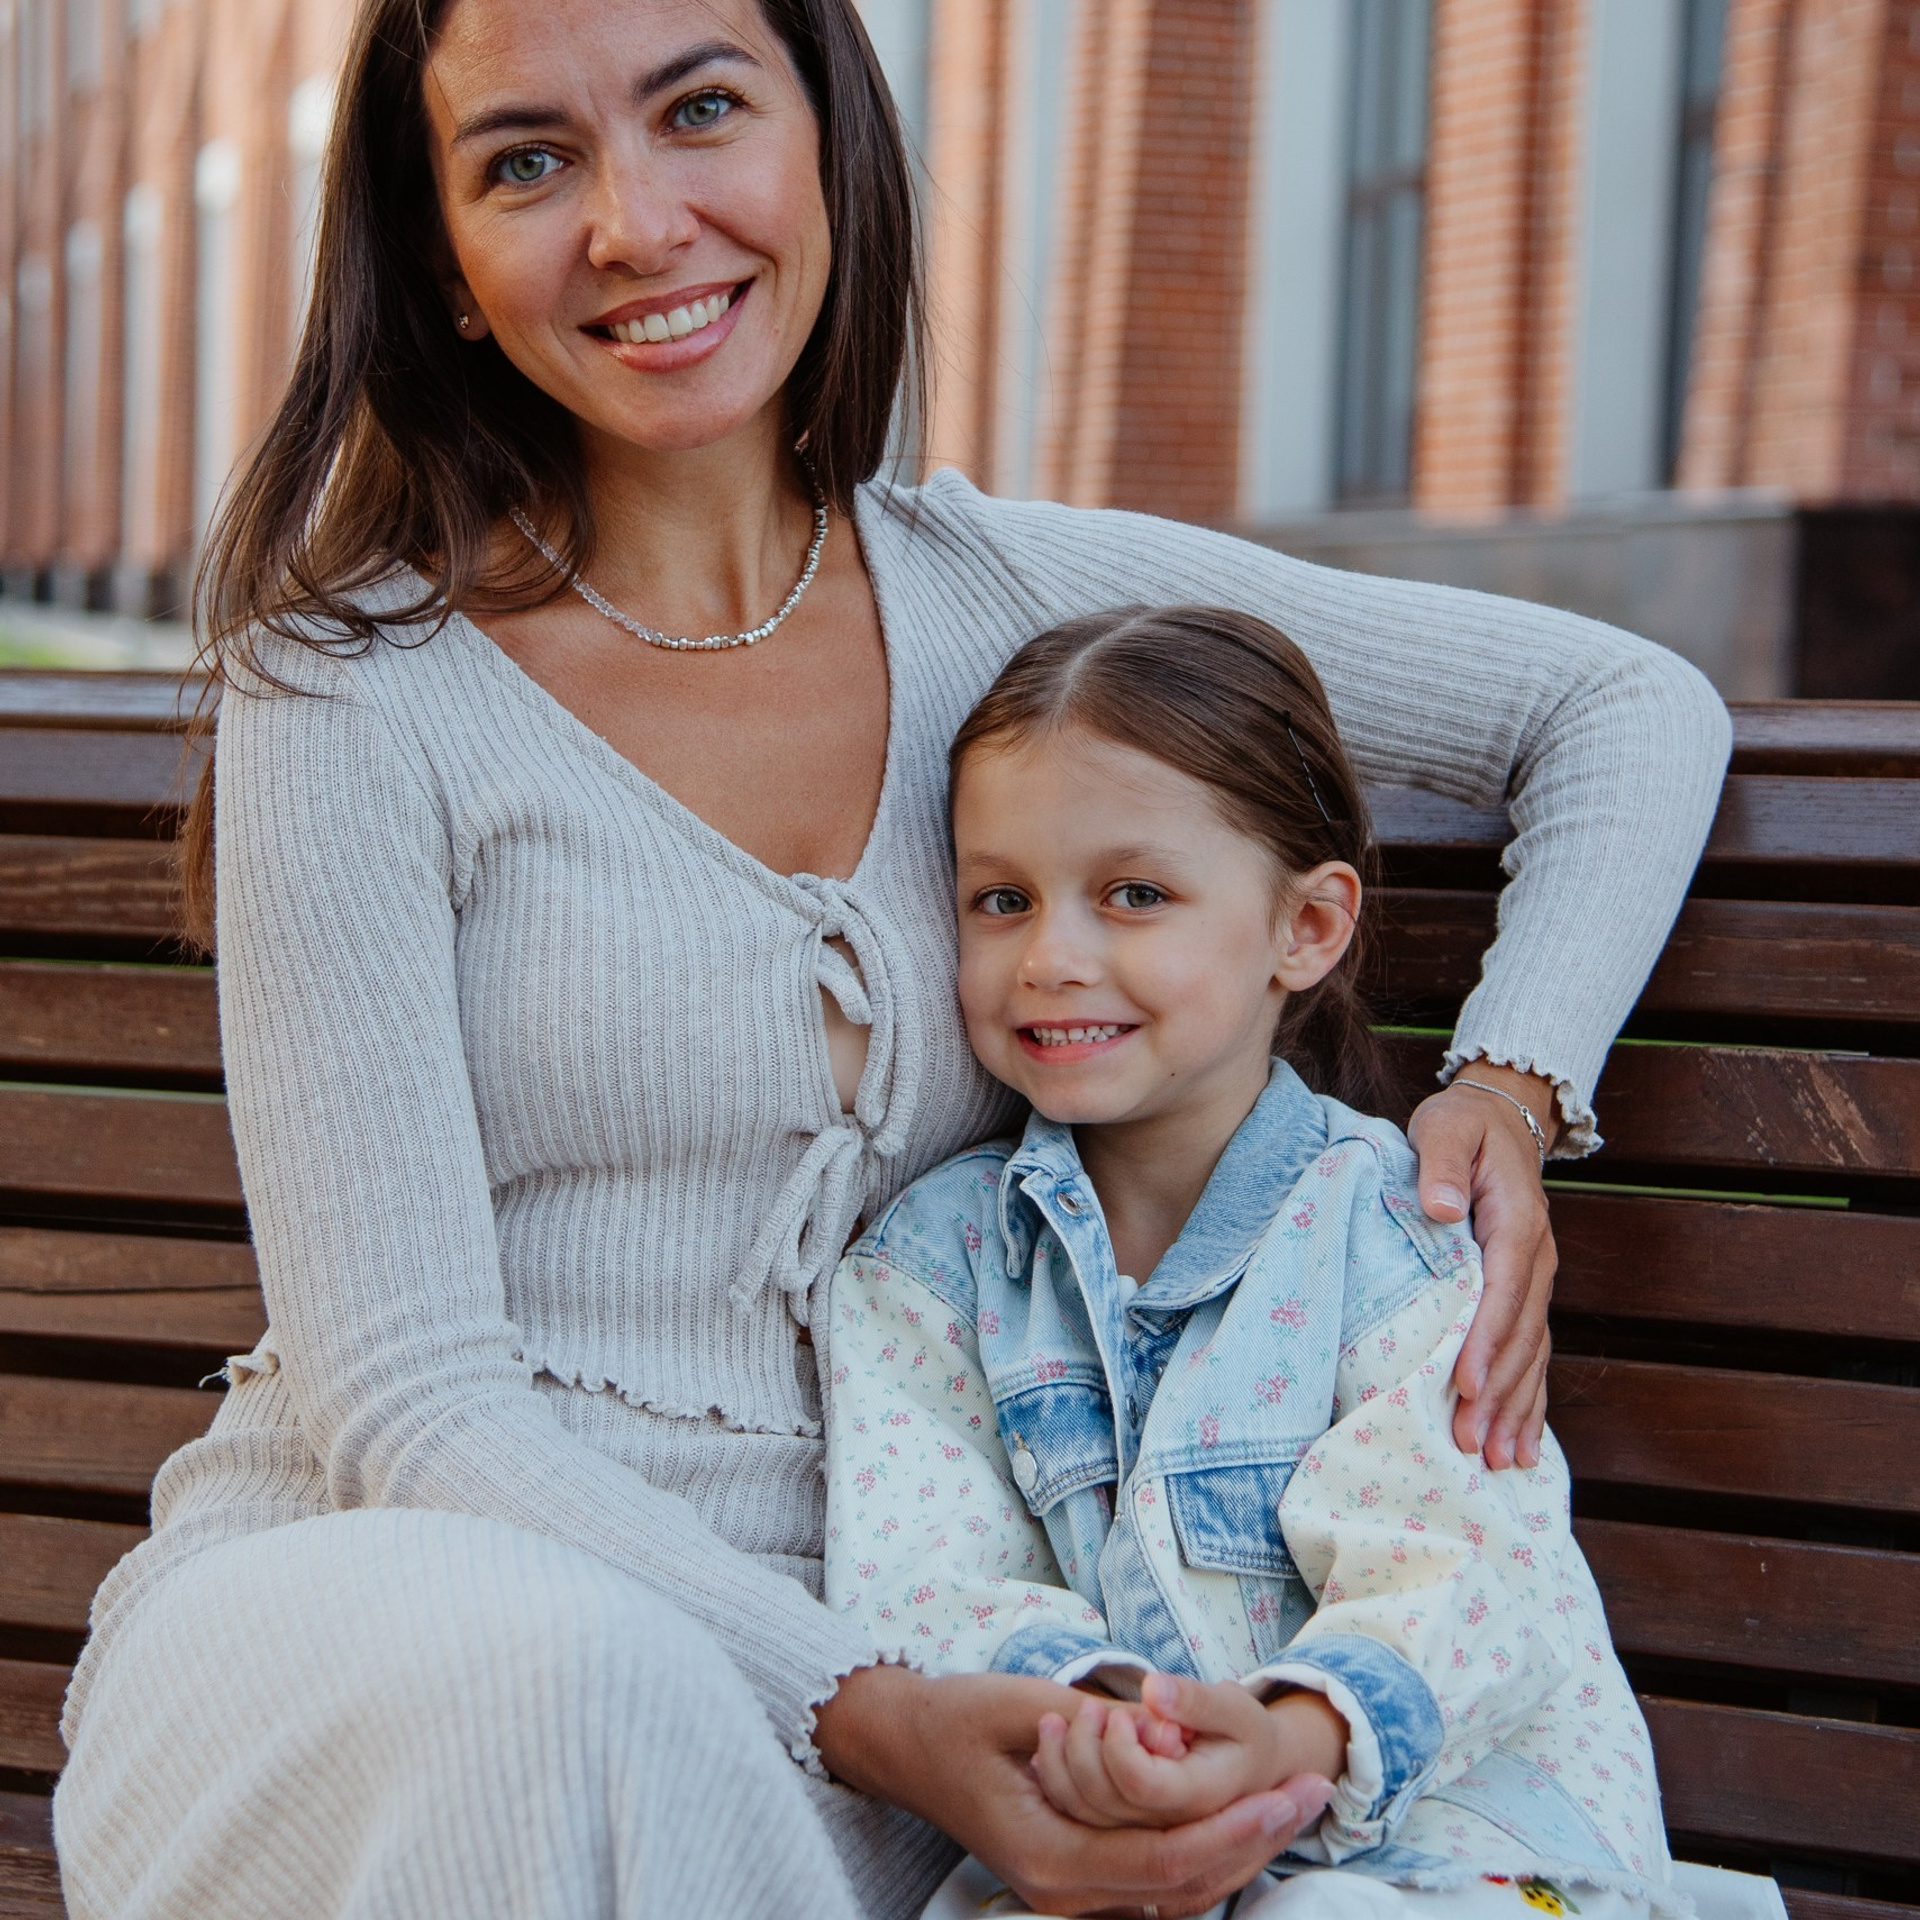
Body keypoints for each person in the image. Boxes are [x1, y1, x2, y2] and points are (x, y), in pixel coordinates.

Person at [51, 0, 1730, 1914]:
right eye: (527, 160)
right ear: (442, 267)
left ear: (829, 141)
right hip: (395, 1620)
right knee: (558, 1689)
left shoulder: (1005, 598)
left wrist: (1509, 1087)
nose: (634, 220)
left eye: (701, 110)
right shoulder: (351, 691)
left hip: (929, 1657)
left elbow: (1622, 708)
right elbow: (409, 1406)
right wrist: (862, 1704)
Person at [822, 606, 1679, 1920]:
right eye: (1003, 898)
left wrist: (1296, 1731)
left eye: (1135, 895)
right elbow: (925, 1573)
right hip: (1113, 1833)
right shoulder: (930, 1270)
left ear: (1307, 928)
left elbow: (1464, 1562)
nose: (1051, 956)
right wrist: (1108, 1720)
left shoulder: (1397, 1233)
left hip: (1456, 1836)